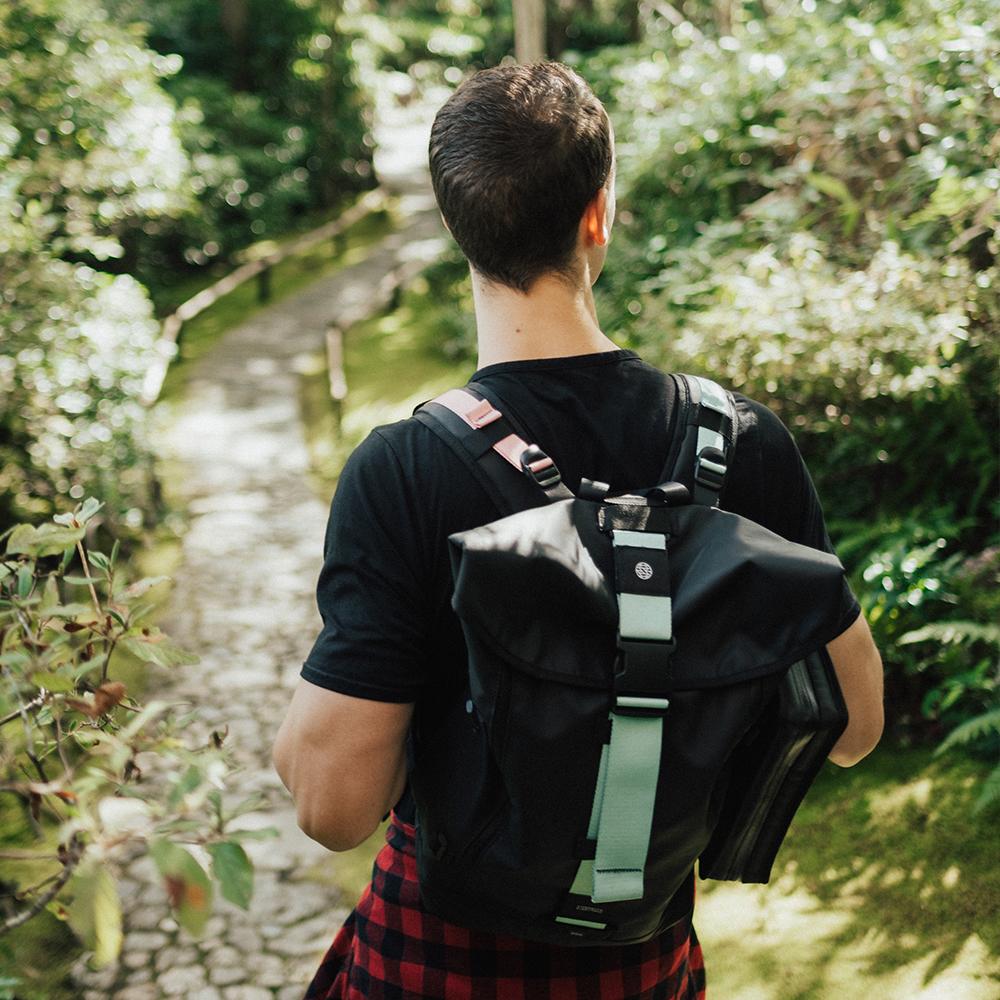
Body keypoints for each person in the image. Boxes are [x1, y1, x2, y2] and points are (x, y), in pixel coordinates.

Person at [272, 60, 884, 1000]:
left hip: (441, 960)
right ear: (600, 212)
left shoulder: (406, 467)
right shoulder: (741, 444)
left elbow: (334, 806)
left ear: (455, 226)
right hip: (642, 958)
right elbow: (855, 727)